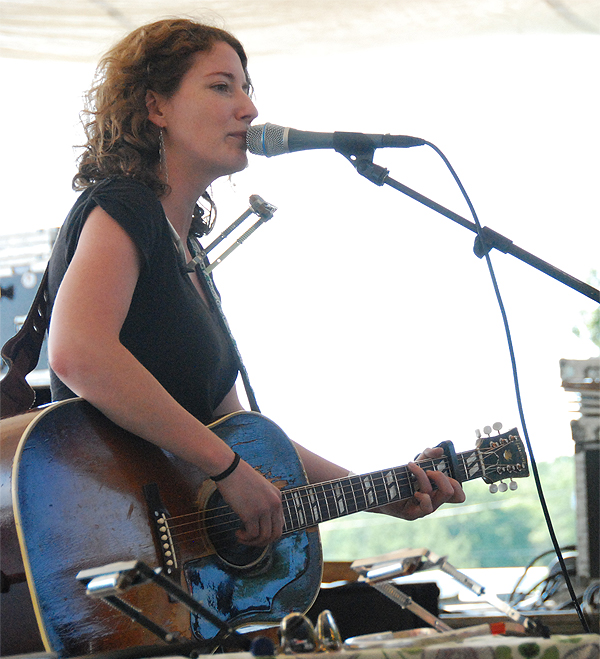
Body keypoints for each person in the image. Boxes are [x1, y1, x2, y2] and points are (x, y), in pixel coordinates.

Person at [47, 18, 465, 552]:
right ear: (156, 107)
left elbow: (233, 425)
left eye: (247, 89)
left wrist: (374, 491)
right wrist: (227, 468)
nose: (248, 108)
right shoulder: (126, 206)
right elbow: (79, 353)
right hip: (108, 538)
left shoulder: (187, 251)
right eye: (222, 86)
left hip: (174, 565)